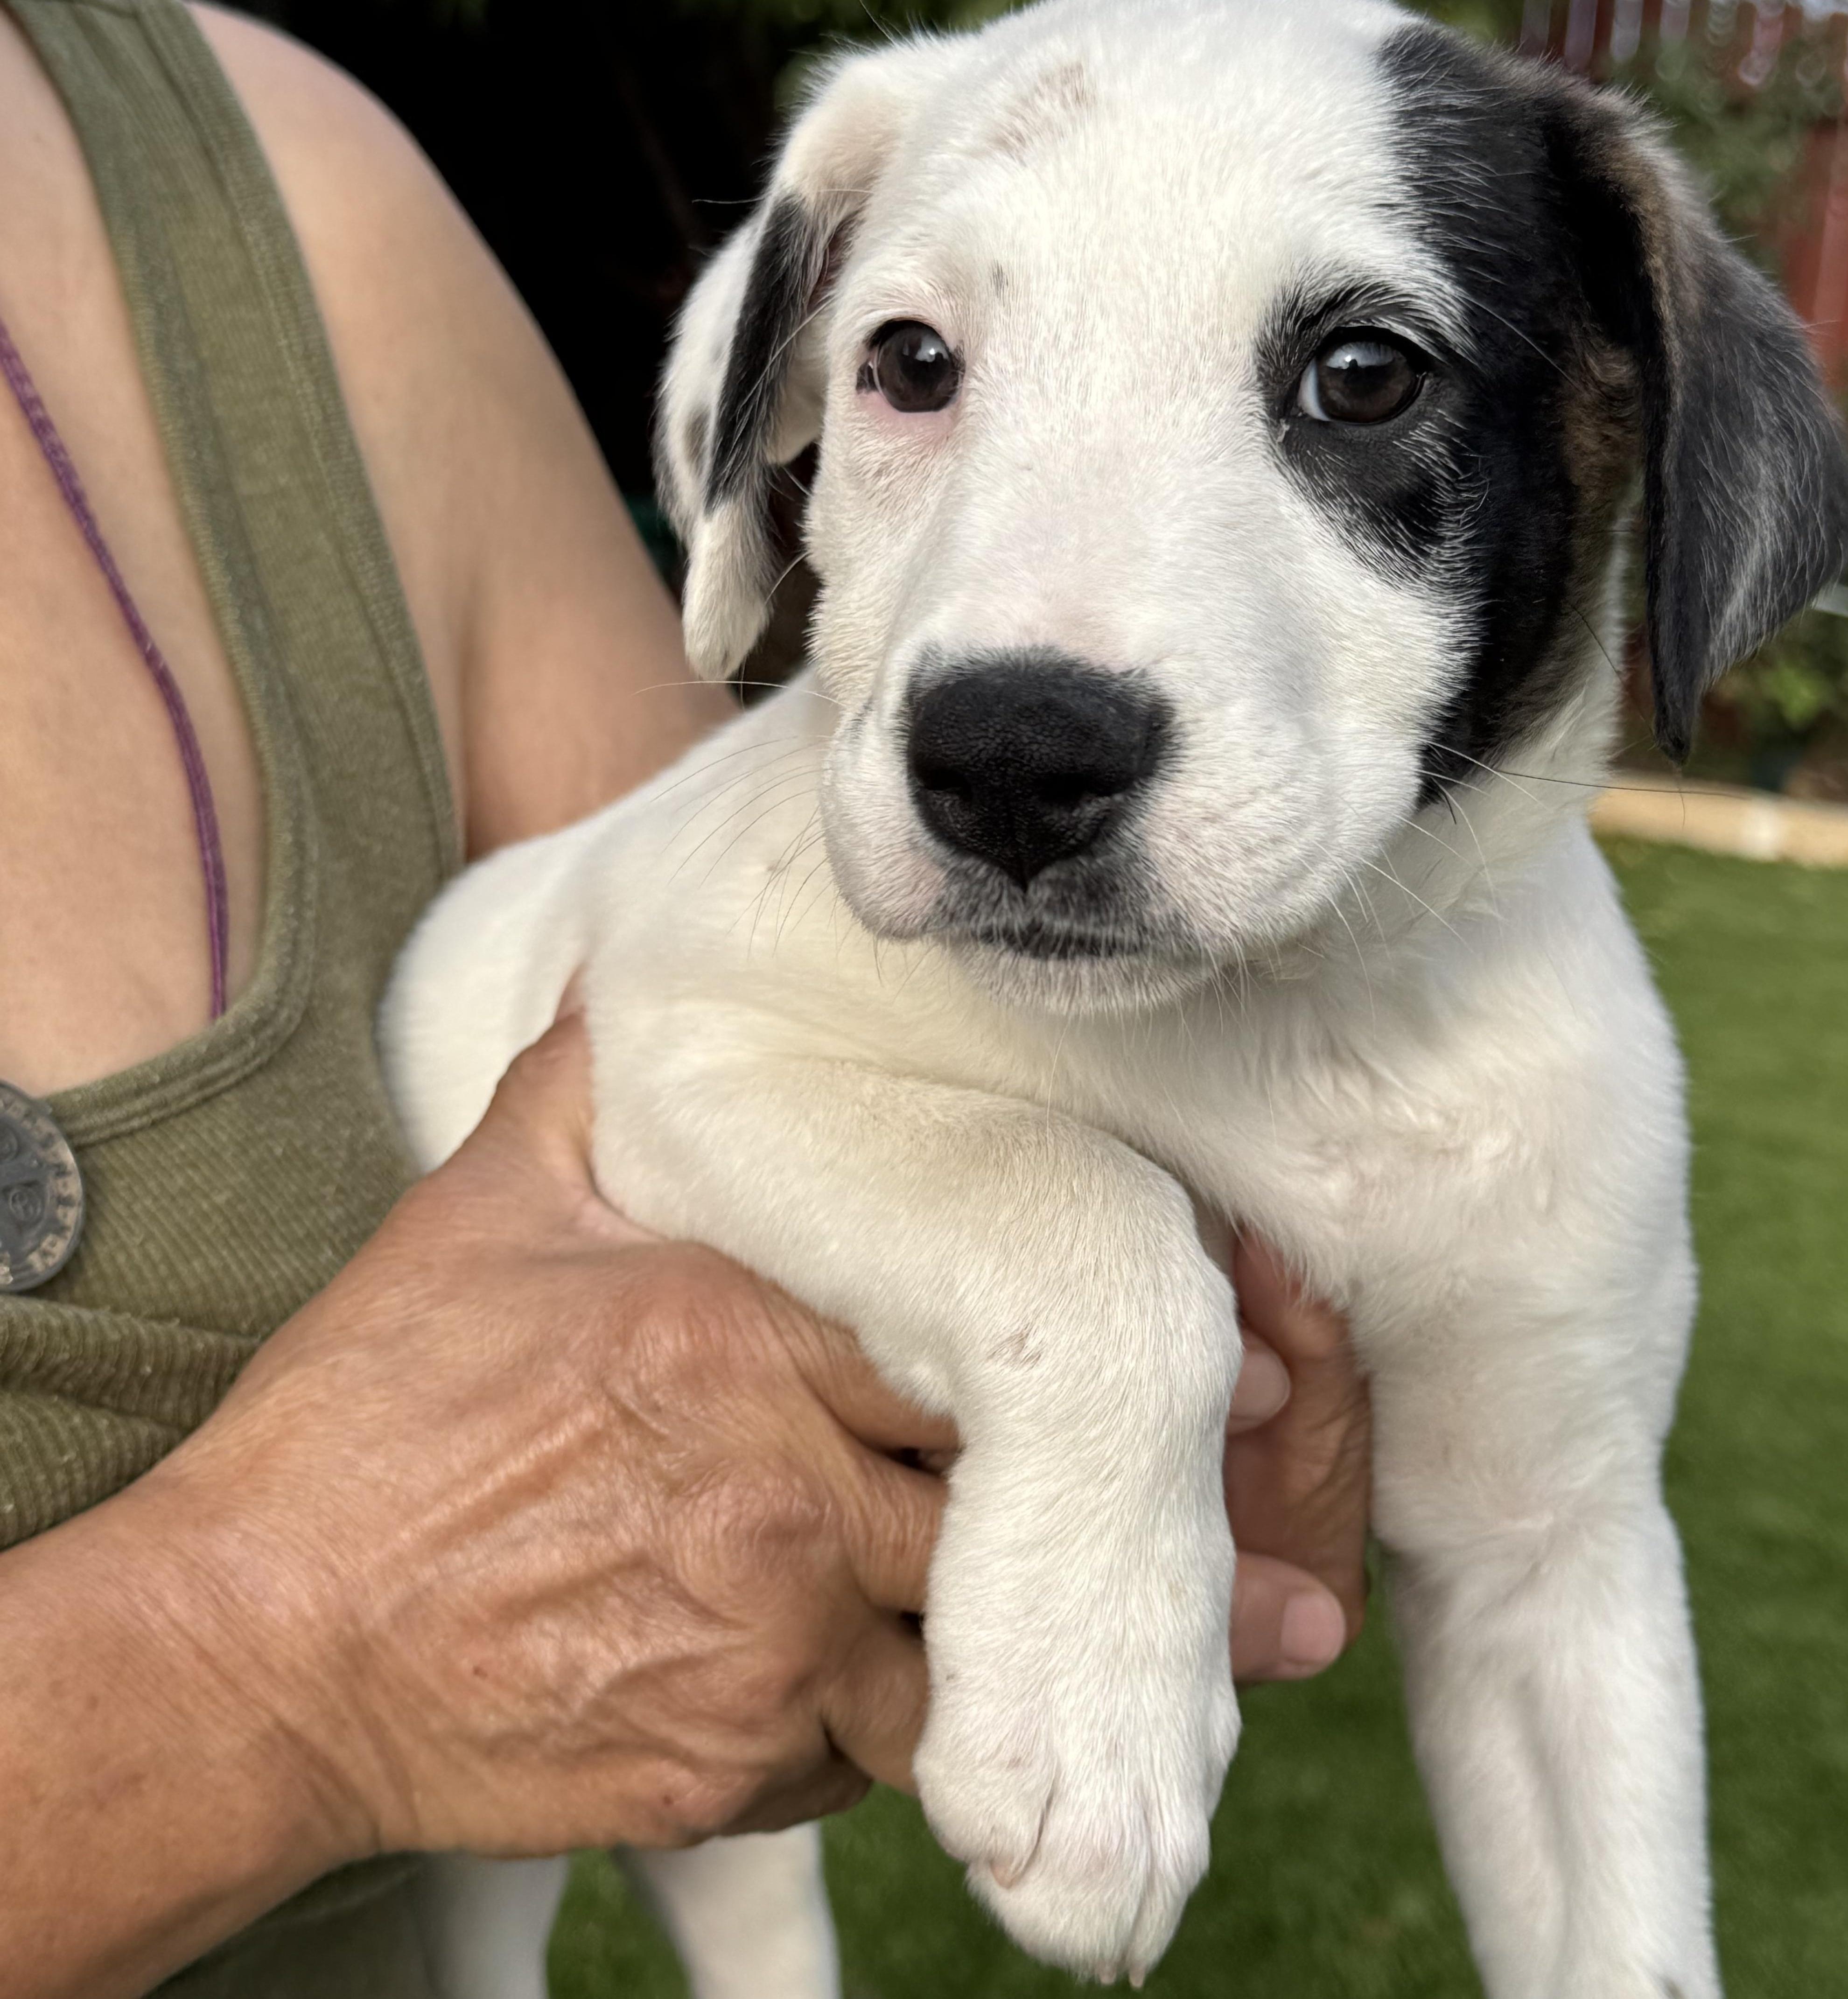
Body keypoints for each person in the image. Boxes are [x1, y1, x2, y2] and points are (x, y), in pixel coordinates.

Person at [0, 4, 1372, 1996]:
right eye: (910, 365)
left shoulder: (278, 188)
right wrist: (271, 1667)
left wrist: (1122, 1353)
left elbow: (739, 1086)